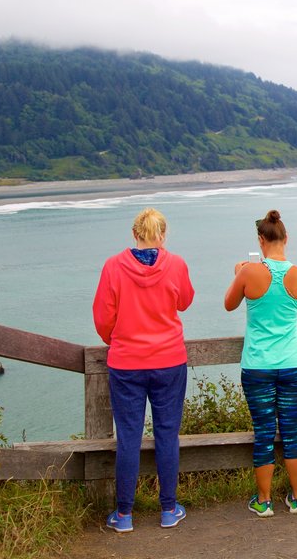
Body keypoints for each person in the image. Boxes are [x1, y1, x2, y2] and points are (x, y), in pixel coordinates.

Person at [93, 207, 194, 533]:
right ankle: (168, 509)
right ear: (162, 235)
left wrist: (118, 340)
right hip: (168, 361)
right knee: (167, 434)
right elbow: (185, 301)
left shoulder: (113, 266)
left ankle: (124, 515)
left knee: (128, 438)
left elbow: (103, 317)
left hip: (126, 364)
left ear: (135, 234)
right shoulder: (175, 264)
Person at [224, 209, 297, 517]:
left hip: (258, 365)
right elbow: (295, 306)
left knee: (263, 431)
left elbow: (229, 304)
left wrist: (239, 273)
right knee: (292, 430)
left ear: (260, 240)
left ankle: (263, 502)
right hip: (292, 363)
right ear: (286, 239)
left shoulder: (249, 273)